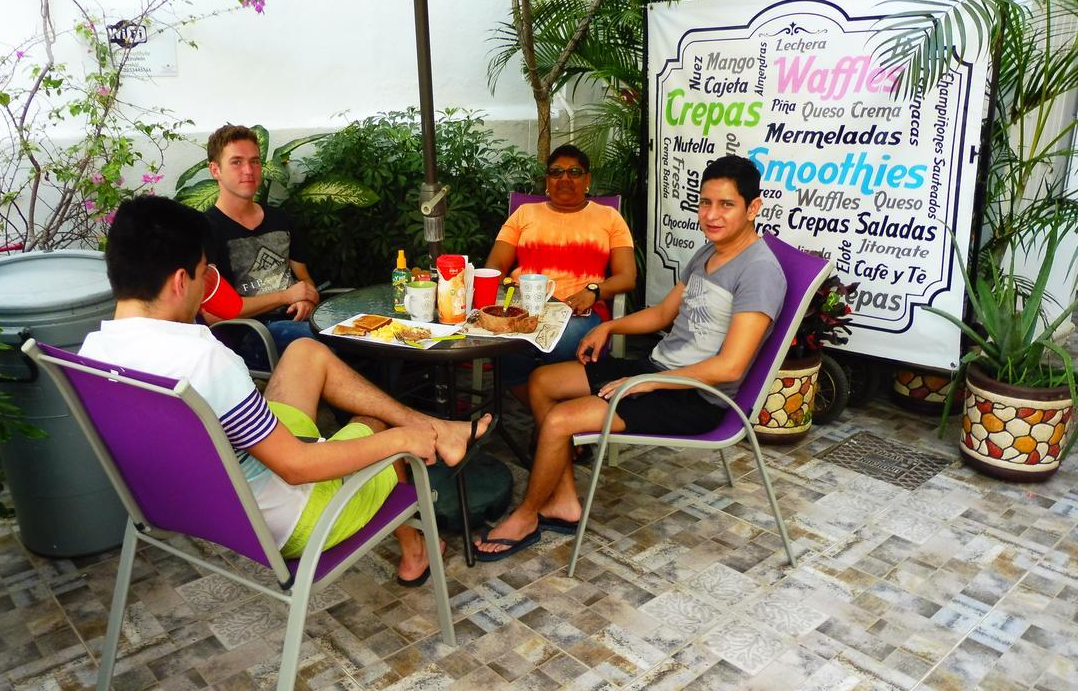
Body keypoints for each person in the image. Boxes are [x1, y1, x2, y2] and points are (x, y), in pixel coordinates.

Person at [80, 195, 491, 585]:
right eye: (206, 272)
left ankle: (437, 428)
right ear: (179, 281)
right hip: (286, 518)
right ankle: (417, 546)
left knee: (304, 352)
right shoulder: (202, 360)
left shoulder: (89, 354)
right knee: (377, 426)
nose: (208, 283)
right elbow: (297, 466)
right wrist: (405, 438)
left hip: (198, 507)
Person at [474, 155, 786, 560]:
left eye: (726, 205)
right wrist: (608, 327)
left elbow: (730, 366)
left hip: (695, 396)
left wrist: (646, 383)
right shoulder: (709, 253)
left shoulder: (759, 272)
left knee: (559, 420)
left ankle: (527, 515)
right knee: (542, 382)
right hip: (659, 369)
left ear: (753, 208)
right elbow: (661, 314)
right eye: (705, 203)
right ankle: (564, 499)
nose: (711, 215)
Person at [484, 144, 636, 397]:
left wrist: (594, 290)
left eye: (574, 172)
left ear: (587, 180)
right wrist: (495, 300)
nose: (564, 178)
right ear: (547, 180)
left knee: (567, 340)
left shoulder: (609, 217)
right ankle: (546, 415)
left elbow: (626, 276)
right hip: (524, 302)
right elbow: (496, 265)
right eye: (556, 172)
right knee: (505, 340)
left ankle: (551, 413)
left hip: (578, 309)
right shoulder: (525, 214)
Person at [203, 124, 319, 369]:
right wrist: (286, 296)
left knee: (365, 340)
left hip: (298, 321)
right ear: (215, 170)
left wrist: (306, 299)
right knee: (327, 347)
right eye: (236, 162)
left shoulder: (280, 219)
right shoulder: (205, 230)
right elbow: (214, 315)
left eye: (255, 161)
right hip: (251, 334)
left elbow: (305, 281)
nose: (249, 170)